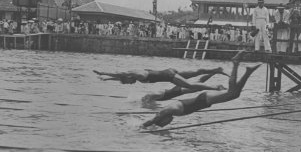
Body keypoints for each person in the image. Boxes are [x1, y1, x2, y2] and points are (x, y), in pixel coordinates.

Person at [142, 51, 261, 128]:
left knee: (231, 93)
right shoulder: (168, 112)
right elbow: (157, 120)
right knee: (235, 94)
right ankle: (248, 71)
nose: (168, 124)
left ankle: (236, 63)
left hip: (204, 99)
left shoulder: (166, 111)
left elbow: (154, 119)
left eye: (165, 123)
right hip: (204, 100)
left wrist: (142, 127)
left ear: (164, 119)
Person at [93, 66, 228, 91]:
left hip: (169, 76)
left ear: (128, 77)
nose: (130, 84)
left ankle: (217, 88)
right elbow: (121, 77)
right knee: (196, 73)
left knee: (191, 86)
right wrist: (106, 79)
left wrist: (103, 73)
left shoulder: (137, 75)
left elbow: (119, 74)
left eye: (128, 83)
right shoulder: (135, 73)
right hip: (170, 71)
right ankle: (216, 70)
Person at [142, 72, 221, 102]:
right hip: (176, 91)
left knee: (199, 85)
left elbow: (163, 93)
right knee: (199, 83)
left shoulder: (153, 95)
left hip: (178, 91)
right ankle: (213, 73)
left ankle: (217, 86)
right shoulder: (153, 96)